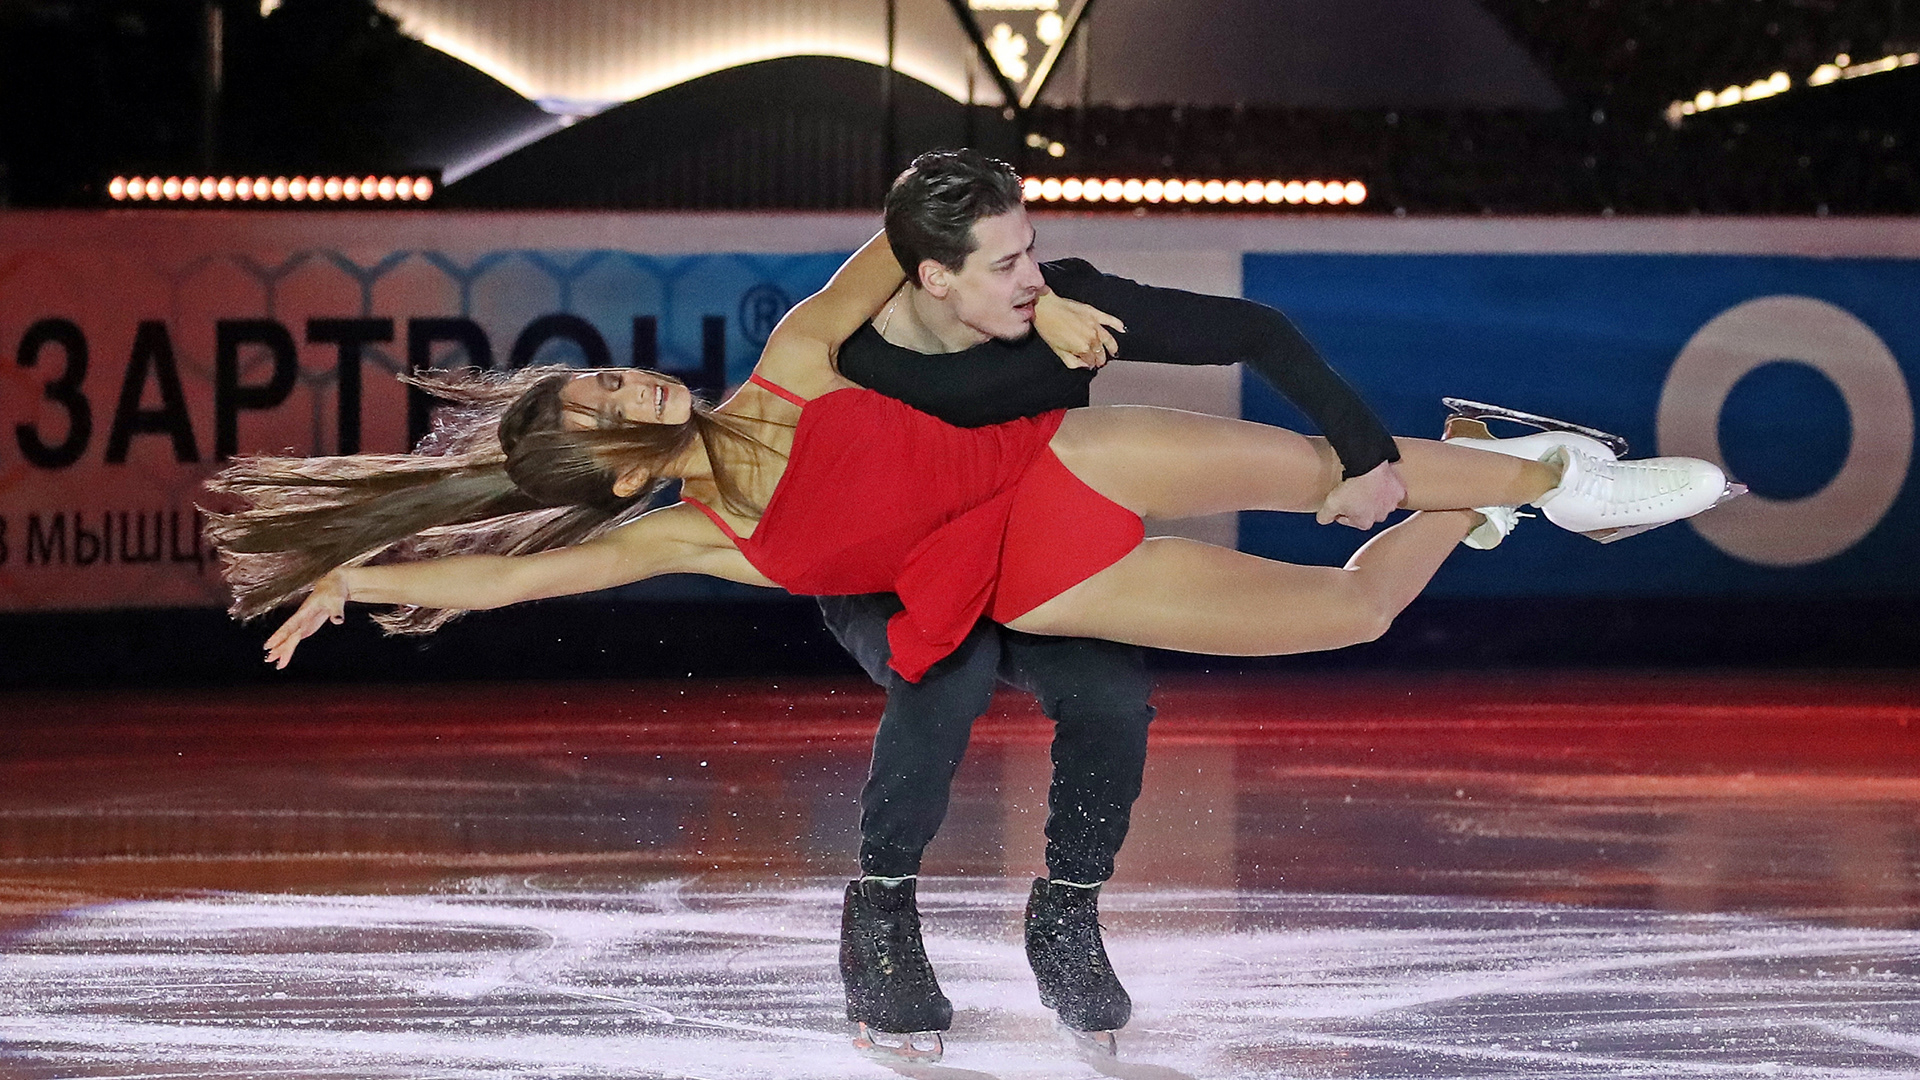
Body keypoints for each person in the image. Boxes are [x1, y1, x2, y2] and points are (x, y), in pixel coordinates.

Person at [208, 217, 1730, 1058]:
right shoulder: (692, 535)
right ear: (608, 474)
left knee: (1325, 469)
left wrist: (1015, 278)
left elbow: (907, 227)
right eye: (602, 414)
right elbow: (513, 585)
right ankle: (1497, 464)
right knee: (1349, 609)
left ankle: (1558, 480)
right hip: (1041, 586)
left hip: (1060, 461)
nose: (623, 388)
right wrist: (355, 571)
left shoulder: (795, 356)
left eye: (601, 376)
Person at [821, 149, 1409, 1052]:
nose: (1034, 275)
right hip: (890, 573)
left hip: (1030, 563)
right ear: (936, 277)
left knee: (1111, 696)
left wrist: (1368, 456)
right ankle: (883, 914)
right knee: (948, 673)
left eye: (1032, 249)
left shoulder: (1072, 304)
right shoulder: (851, 358)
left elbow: (1257, 330)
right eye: (1007, 263)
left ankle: (1067, 910)